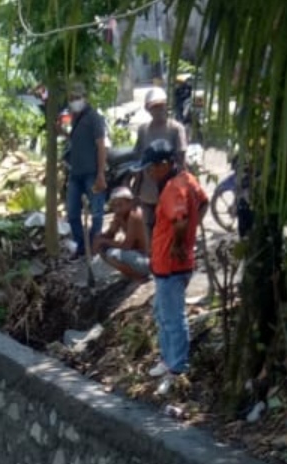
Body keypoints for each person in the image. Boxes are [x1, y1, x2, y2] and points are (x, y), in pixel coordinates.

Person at [141, 138, 208, 379]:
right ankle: (168, 359)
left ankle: (177, 366)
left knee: (172, 317)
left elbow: (180, 221)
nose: (149, 173)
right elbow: (204, 202)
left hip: (171, 265)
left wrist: (180, 243)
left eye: (152, 168)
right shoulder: (188, 179)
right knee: (163, 313)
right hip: (168, 263)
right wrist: (192, 231)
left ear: (165, 164)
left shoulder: (172, 188)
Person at [131, 87, 188, 233]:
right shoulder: (143, 130)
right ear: (148, 109)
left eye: (160, 106)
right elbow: (139, 161)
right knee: (150, 230)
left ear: (166, 106)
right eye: (154, 107)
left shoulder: (175, 129)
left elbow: (181, 160)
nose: (158, 110)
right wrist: (135, 191)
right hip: (148, 191)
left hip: (169, 190)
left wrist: (181, 188)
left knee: (169, 230)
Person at [63, 82, 107, 260]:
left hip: (91, 172)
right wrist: (63, 133)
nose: (74, 101)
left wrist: (101, 173)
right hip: (75, 173)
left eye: (77, 98)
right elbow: (76, 140)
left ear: (84, 98)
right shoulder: (74, 118)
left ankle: (95, 244)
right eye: (72, 98)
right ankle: (82, 245)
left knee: (97, 211)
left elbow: (101, 146)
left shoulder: (94, 117)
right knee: (72, 213)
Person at [95, 185, 151, 281]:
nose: (117, 209)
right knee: (103, 250)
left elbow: (127, 246)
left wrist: (104, 241)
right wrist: (101, 237)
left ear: (130, 203)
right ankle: (131, 274)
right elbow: (110, 234)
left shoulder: (134, 215)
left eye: (120, 205)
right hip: (135, 255)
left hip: (145, 260)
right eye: (115, 206)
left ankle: (139, 277)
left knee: (112, 255)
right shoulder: (120, 215)